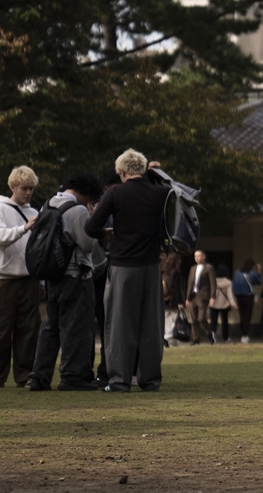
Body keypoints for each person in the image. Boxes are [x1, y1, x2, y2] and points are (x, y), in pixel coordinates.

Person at [85, 149, 169, 393]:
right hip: (151, 266)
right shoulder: (161, 193)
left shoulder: (116, 193)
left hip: (123, 265)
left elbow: (91, 227)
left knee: (120, 325)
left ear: (121, 171)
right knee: (151, 325)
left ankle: (119, 381)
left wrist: (105, 234)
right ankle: (150, 380)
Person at [28, 173, 103, 392]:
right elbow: (88, 244)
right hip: (75, 275)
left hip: (53, 274)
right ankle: (72, 375)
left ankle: (39, 376)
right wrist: (92, 219)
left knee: (50, 327)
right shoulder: (77, 210)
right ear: (86, 194)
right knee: (76, 327)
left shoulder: (48, 204)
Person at [0, 165, 40, 388]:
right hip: (1, 279)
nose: (28, 193)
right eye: (24, 188)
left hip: (28, 279)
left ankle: (26, 375)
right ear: (13, 187)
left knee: (29, 330)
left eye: (31, 189)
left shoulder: (34, 213)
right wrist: (24, 228)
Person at [90, 170, 120, 385]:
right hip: (99, 268)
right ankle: (92, 370)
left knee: (108, 322)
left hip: (113, 265)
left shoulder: (120, 205)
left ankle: (106, 369)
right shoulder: (100, 206)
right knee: (99, 321)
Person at [184, 250, 216, 345]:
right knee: (193, 319)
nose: (197, 258)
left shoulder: (208, 268)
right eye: (195, 256)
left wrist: (212, 296)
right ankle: (196, 339)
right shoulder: (193, 268)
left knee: (201, 318)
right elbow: (190, 283)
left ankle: (209, 334)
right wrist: (187, 298)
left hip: (203, 295)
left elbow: (213, 283)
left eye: (198, 256)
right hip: (193, 295)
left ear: (203, 257)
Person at [233, 258, 262, 343]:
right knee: (247, 316)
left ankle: (243, 332)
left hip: (239, 296)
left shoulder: (237, 273)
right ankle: (244, 335)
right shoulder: (251, 274)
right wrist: (259, 271)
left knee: (242, 315)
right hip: (248, 296)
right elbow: (259, 281)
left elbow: (234, 285)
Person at [161, 252, 185, 347]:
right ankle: (171, 339)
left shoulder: (164, 273)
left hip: (165, 300)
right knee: (175, 320)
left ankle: (165, 338)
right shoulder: (176, 273)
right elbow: (177, 288)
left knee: (166, 320)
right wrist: (180, 302)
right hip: (174, 300)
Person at [210, 265, 235, 343]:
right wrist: (233, 304)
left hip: (214, 303)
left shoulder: (213, 281)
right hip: (224, 304)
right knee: (225, 321)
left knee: (213, 320)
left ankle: (213, 337)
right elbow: (229, 294)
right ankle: (225, 337)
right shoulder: (228, 282)